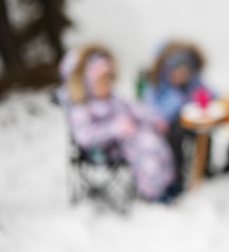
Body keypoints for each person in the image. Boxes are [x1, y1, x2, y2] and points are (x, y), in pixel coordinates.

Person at [60, 44, 175, 202]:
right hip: (106, 149)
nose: (108, 83)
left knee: (157, 144)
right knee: (147, 152)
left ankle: (167, 183)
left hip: (130, 137)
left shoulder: (112, 98)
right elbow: (84, 136)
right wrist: (114, 128)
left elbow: (135, 109)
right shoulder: (82, 107)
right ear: (85, 81)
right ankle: (155, 191)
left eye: (110, 78)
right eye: (102, 79)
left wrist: (153, 120)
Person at [141, 40, 213, 185]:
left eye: (185, 71)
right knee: (176, 139)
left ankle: (203, 168)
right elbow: (151, 111)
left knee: (205, 132)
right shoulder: (157, 88)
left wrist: (204, 99)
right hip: (168, 130)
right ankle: (176, 175)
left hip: (190, 125)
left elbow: (210, 93)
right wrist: (177, 100)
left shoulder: (192, 84)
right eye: (177, 71)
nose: (182, 75)